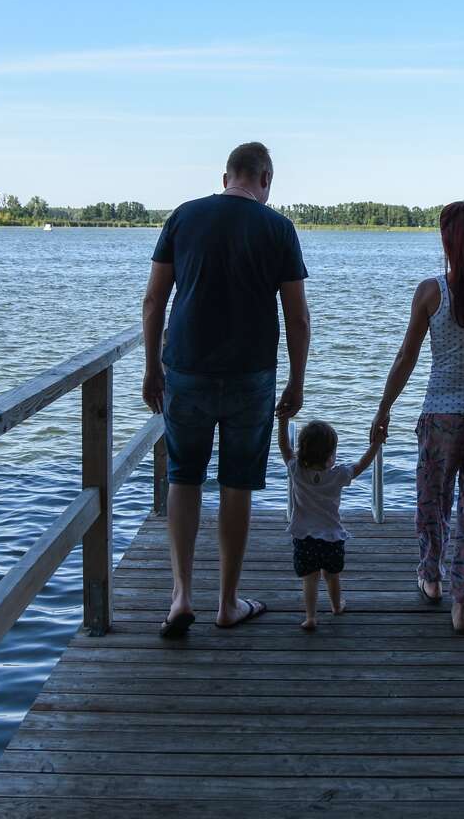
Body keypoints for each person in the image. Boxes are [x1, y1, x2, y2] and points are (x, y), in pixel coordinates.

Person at [141, 142, 311, 637]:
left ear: (225, 177)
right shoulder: (278, 227)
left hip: (185, 368)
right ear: (266, 179)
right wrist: (297, 382)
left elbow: (154, 300)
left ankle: (180, 597)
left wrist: (152, 368)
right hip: (251, 374)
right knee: (237, 484)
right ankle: (228, 602)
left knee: (183, 476)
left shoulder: (183, 217)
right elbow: (297, 318)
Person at [370, 201, 464, 634]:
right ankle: (463, 605)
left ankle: (432, 578)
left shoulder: (431, 291)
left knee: (432, 503)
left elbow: (406, 358)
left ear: (446, 242)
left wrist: (384, 409)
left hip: (439, 416)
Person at [278, 414, 380, 631]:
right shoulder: (338, 475)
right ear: (329, 455)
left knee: (310, 579)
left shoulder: (296, 470)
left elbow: (284, 447)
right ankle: (336, 606)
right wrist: (375, 444)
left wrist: (282, 421)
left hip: (304, 537)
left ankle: (311, 617)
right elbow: (362, 465)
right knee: (332, 577)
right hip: (332, 537)